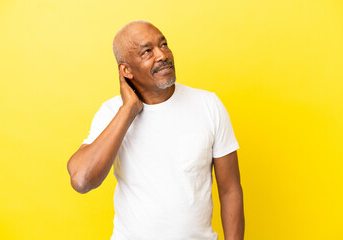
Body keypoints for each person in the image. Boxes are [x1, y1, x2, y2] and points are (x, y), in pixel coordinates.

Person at [67, 20, 245, 240]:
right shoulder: (112, 112)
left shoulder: (208, 105)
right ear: (126, 70)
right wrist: (129, 109)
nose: (162, 55)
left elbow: (230, 190)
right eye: (147, 51)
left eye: (164, 44)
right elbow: (82, 179)